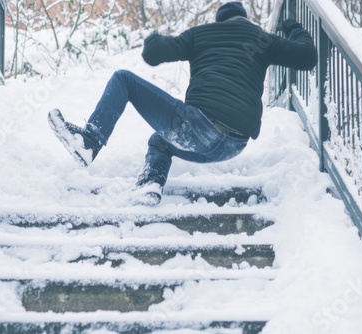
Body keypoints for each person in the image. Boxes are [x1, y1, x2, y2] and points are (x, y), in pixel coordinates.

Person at [48, 1, 317, 206]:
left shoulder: (201, 34)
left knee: (123, 79)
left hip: (199, 128)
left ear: (219, 22)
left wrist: (152, 35)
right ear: (243, 20)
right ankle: (150, 186)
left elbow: (152, 54)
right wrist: (293, 28)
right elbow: (308, 57)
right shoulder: (264, 40)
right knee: (161, 140)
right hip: (234, 144)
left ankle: (90, 141)